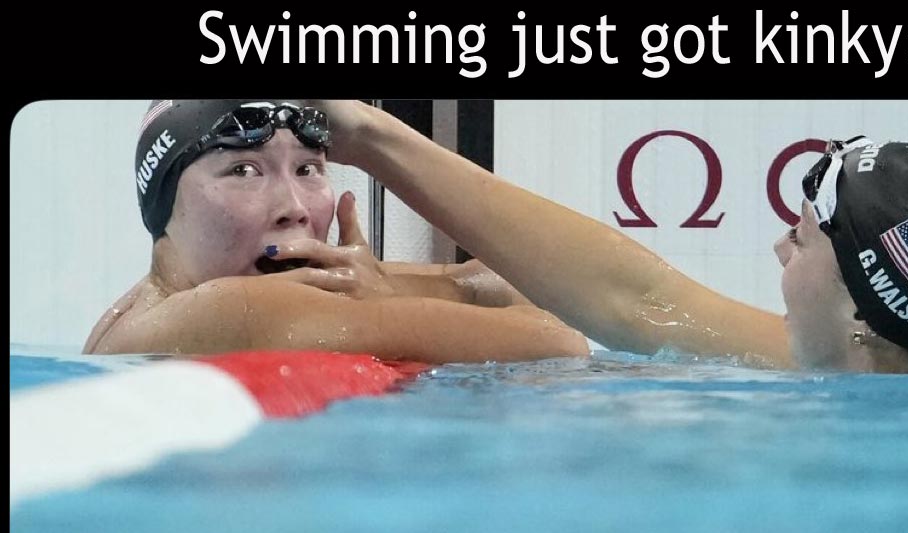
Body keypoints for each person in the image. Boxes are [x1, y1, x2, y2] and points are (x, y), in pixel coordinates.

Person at [307, 100, 908, 373]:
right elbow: (639, 299)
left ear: (866, 309)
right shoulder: (890, 355)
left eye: (800, 239)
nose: (777, 250)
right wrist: (370, 135)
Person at [83, 100, 589, 362]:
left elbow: (493, 284)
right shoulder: (230, 308)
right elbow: (559, 339)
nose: (295, 208)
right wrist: (379, 302)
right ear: (163, 203)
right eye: (244, 171)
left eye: (308, 169)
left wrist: (382, 288)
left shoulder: (139, 310)